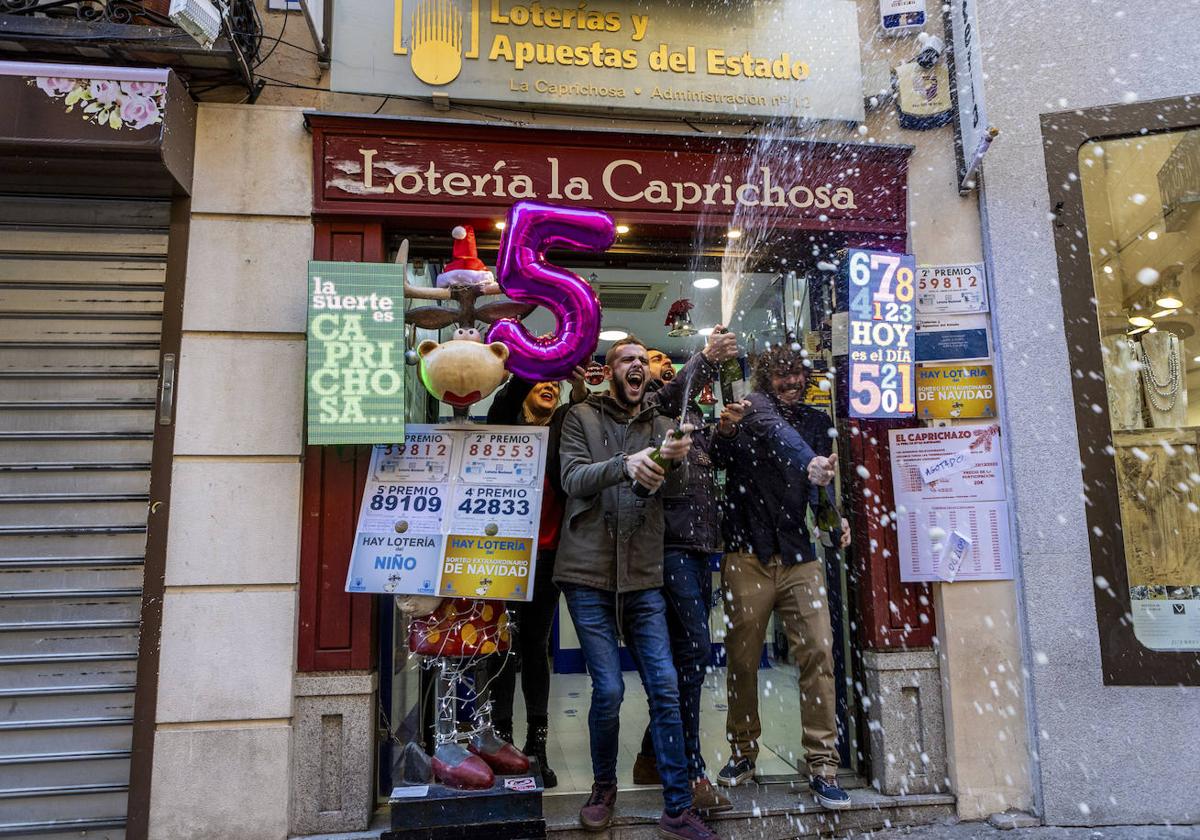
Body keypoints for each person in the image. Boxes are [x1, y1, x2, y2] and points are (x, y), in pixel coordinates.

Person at [556, 336, 718, 840]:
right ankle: (603, 787)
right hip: (587, 574)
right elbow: (572, 479)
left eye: (642, 362)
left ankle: (676, 807)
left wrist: (670, 461)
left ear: (648, 375)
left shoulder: (666, 426)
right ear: (609, 371)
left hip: (645, 573)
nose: (637, 367)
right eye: (626, 359)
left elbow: (667, 490)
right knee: (608, 688)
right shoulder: (579, 417)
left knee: (665, 687)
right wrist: (623, 465)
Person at [716, 344, 852, 811]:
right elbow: (721, 455)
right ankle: (742, 752)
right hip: (746, 555)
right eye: (783, 376)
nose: (793, 383)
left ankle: (823, 764)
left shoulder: (816, 422)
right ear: (765, 381)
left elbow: (820, 487)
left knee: (819, 652)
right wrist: (726, 430)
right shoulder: (750, 414)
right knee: (743, 660)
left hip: (800, 558)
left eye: (799, 375)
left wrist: (833, 518)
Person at [630, 332, 743, 815]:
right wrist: (702, 358)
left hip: (700, 549)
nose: (655, 366)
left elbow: (714, 470)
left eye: (659, 359)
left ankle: (652, 757)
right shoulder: (650, 410)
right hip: (671, 548)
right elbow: (671, 393)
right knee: (694, 652)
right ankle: (691, 769)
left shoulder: (691, 419)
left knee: (684, 659)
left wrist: (727, 432)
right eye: (648, 361)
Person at [482, 368, 587, 788]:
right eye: (540, 382)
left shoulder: (562, 428)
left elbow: (575, 413)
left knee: (535, 647)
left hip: (546, 557)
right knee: (502, 648)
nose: (549, 386)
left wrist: (575, 388)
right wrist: (535, 364)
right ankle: (502, 741)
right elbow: (509, 398)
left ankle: (537, 746)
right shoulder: (505, 419)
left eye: (554, 383)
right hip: (503, 555)